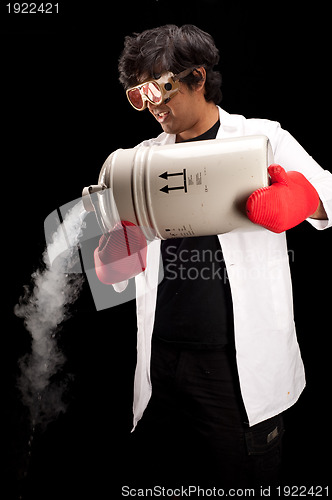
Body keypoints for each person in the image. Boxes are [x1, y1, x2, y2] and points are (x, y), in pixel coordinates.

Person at [94, 25, 332, 488]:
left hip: (235, 369)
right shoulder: (134, 161)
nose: (154, 105)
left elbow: (330, 194)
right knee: (167, 478)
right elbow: (114, 274)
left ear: (198, 78)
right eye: (140, 95)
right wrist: (112, 259)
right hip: (161, 365)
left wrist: (302, 198)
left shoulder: (262, 139)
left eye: (163, 89)